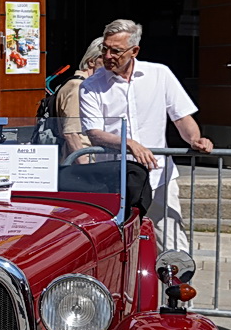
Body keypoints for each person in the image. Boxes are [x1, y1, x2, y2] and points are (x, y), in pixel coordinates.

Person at [78, 18, 213, 250]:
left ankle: (178, 285)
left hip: (158, 176)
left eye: (116, 51)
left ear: (134, 51)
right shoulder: (90, 86)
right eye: (105, 49)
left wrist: (195, 139)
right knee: (116, 245)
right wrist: (129, 144)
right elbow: (95, 133)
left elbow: (181, 117)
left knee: (171, 242)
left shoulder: (160, 74)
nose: (108, 56)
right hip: (115, 179)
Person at [54, 36, 106, 153]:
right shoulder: (78, 86)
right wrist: (85, 167)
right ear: (91, 61)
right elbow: (71, 133)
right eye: (104, 59)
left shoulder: (84, 85)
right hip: (82, 160)